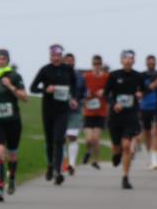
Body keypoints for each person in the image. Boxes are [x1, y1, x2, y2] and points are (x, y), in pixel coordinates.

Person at [29, 44, 78, 186]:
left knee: (58, 140)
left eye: (58, 55)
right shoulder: (45, 70)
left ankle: (58, 171)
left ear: (61, 56)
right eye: (53, 55)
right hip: (48, 110)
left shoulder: (68, 70)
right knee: (50, 141)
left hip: (62, 111)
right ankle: (50, 165)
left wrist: (73, 97)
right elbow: (32, 88)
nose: (56, 58)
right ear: (50, 56)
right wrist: (45, 89)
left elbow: (73, 85)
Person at [0, 49, 27, 201]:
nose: (1, 61)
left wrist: (10, 86)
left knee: (12, 154)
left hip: (13, 121)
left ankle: (11, 179)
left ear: (8, 61)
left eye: (4, 59)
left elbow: (25, 98)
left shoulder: (15, 76)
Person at [104, 49, 143, 190]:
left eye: (131, 58)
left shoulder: (138, 76)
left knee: (127, 145)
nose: (128, 60)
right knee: (117, 147)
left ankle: (125, 177)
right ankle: (116, 155)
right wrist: (114, 104)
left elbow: (143, 90)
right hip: (116, 116)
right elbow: (105, 94)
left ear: (134, 61)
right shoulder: (114, 75)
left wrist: (140, 94)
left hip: (131, 115)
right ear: (121, 60)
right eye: (125, 58)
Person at [82, 54, 109, 169]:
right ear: (92, 65)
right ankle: (88, 151)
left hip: (100, 112)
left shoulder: (106, 77)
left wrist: (104, 91)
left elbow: (111, 90)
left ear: (101, 65)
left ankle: (95, 160)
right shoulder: (86, 77)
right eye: (95, 64)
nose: (97, 66)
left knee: (96, 139)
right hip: (88, 112)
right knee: (89, 139)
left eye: (98, 64)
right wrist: (85, 94)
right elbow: (80, 90)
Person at [62, 52, 86, 175]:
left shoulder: (80, 77)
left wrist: (78, 101)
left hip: (75, 111)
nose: (70, 62)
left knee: (72, 136)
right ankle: (64, 163)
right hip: (60, 110)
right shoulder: (59, 75)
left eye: (72, 60)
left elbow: (84, 92)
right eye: (67, 60)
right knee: (60, 138)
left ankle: (72, 164)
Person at [139, 55, 157, 170]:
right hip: (145, 107)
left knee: (156, 132)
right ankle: (149, 154)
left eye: (153, 62)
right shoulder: (142, 76)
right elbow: (140, 90)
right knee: (147, 133)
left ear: (156, 63)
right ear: (146, 63)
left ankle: (155, 159)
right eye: (149, 62)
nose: (151, 64)